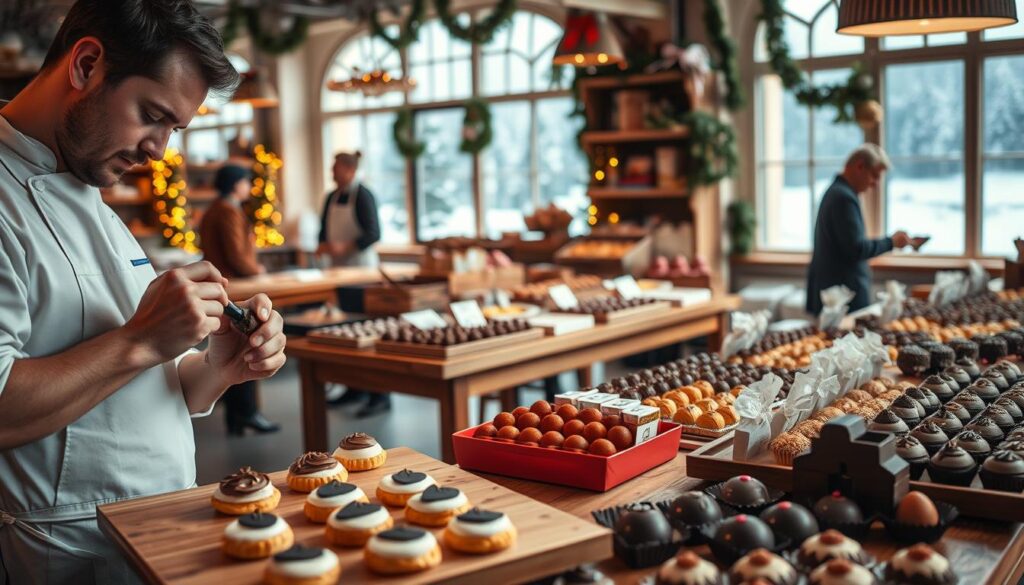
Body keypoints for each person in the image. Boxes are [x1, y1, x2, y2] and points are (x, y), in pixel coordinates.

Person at [0, 1, 287, 583]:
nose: (160, 149)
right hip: (68, 548)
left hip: (159, 525)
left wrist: (218, 366)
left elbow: (137, 386)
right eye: (152, 115)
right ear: (85, 64)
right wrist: (141, 337)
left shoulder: (92, 192)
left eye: (174, 129)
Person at [199, 164, 280, 436]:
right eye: (246, 181)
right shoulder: (227, 212)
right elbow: (236, 255)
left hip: (226, 286)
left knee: (237, 348)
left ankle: (239, 415)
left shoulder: (216, 210)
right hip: (236, 287)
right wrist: (257, 270)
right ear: (236, 184)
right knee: (247, 345)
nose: (249, 186)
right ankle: (246, 412)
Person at [806, 144, 922, 315]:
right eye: (874, 176)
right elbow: (856, 248)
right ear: (860, 166)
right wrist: (892, 242)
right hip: (842, 299)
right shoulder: (843, 198)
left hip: (836, 293)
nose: (875, 184)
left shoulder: (837, 192)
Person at [316, 151, 389, 417]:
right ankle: (354, 387)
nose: (332, 172)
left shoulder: (364, 195)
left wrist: (344, 246)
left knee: (368, 331)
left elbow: (373, 233)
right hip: (338, 272)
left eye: (335, 168)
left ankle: (379, 394)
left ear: (349, 169)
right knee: (345, 329)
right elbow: (323, 230)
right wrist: (323, 244)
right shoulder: (330, 197)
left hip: (363, 272)